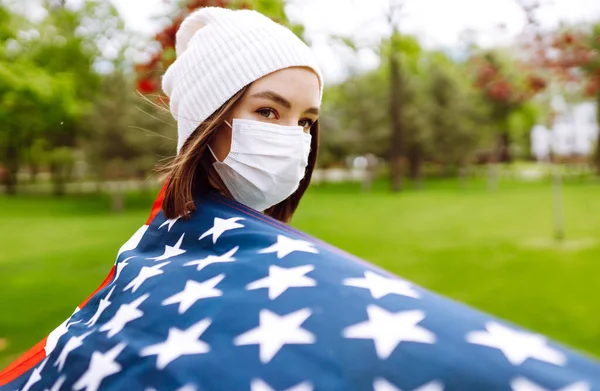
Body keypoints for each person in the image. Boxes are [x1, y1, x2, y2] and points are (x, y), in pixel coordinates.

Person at [1, 7, 600, 391]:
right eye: (268, 111)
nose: (291, 139)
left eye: (306, 120)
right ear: (207, 119)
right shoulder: (153, 261)